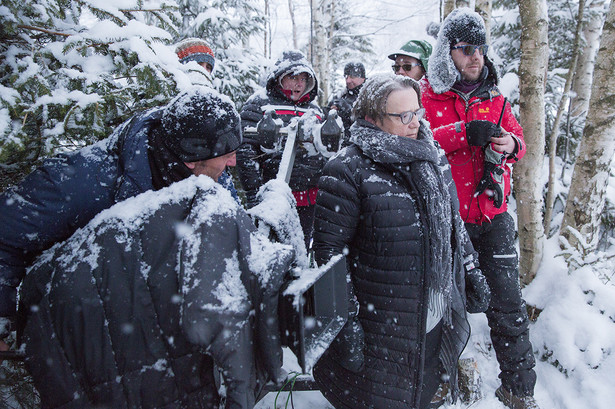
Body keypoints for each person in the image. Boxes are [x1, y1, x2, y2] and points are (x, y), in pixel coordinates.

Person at [18, 148, 296, 408]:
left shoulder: (207, 206)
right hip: (59, 326)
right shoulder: (212, 216)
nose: (233, 161)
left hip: (51, 304)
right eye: (226, 152)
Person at [0, 88, 239, 352]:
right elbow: (5, 234)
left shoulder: (212, 174)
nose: (234, 162)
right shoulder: (83, 182)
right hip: (81, 348)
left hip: (157, 346)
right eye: (227, 154)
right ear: (191, 158)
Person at [311, 74, 490, 409]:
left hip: (430, 320)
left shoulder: (431, 155)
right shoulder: (348, 169)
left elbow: (452, 222)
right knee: (383, 398)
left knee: (422, 394)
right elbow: (329, 256)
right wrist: (346, 325)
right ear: (371, 119)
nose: (415, 123)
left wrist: (470, 265)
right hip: (379, 329)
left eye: (417, 112)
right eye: (403, 116)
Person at [420, 8, 539, 409]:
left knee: (508, 306)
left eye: (480, 48)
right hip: (446, 223)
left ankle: (519, 390)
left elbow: (519, 140)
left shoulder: (497, 98)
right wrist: (462, 133)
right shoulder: (424, 97)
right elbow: (417, 145)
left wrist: (511, 146)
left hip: (494, 218)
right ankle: (437, 385)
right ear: (446, 53)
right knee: (440, 308)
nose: (475, 57)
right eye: (465, 48)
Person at [237, 50, 326, 250]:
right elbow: (245, 151)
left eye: (304, 78)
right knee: (272, 248)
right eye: (292, 77)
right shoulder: (260, 104)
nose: (298, 84)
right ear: (278, 77)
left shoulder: (315, 110)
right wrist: (253, 191)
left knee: (302, 246)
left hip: (309, 197)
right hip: (273, 196)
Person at [174, 37, 238, 196]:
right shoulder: (169, 108)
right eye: (197, 65)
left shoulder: (217, 110)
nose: (203, 71)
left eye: (208, 67)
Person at [326, 62, 366, 142]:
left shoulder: (369, 95)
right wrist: (329, 112)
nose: (348, 81)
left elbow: (369, 123)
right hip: (338, 144)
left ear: (362, 78)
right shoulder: (340, 95)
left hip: (359, 145)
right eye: (346, 77)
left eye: (352, 77)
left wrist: (349, 111)